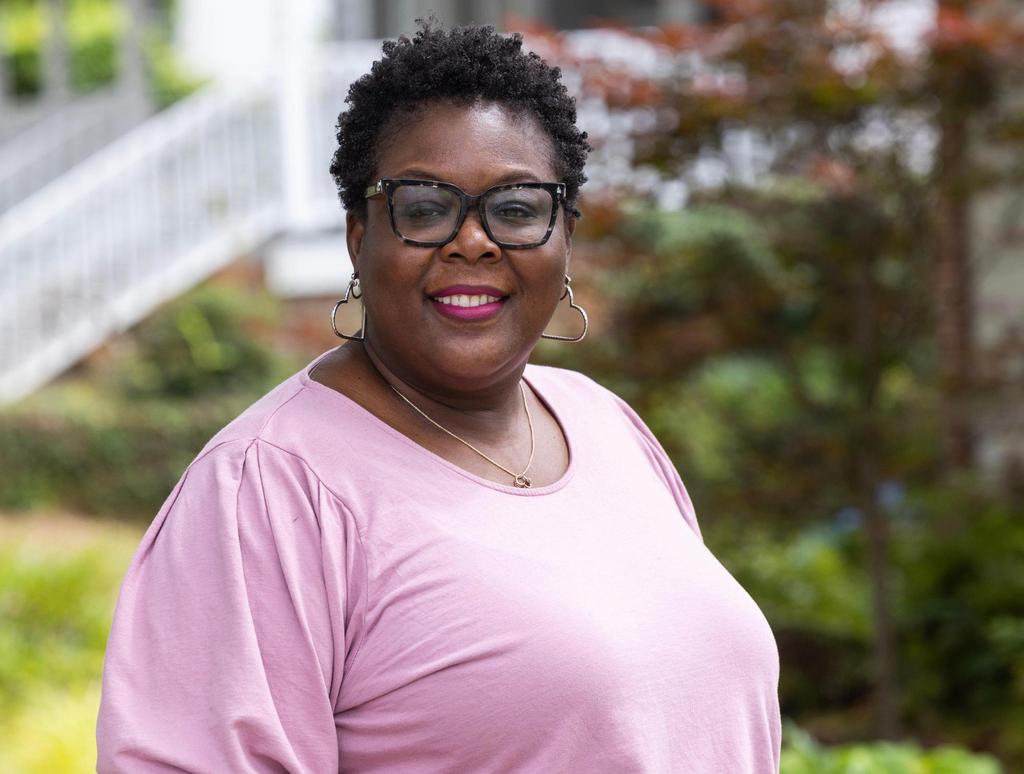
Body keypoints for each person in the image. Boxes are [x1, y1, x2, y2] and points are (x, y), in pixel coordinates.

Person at [96, 23, 780, 773]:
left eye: (517, 208)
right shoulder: (269, 487)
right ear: (360, 239)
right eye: (425, 207)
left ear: (565, 239)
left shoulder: (605, 424)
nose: (474, 242)